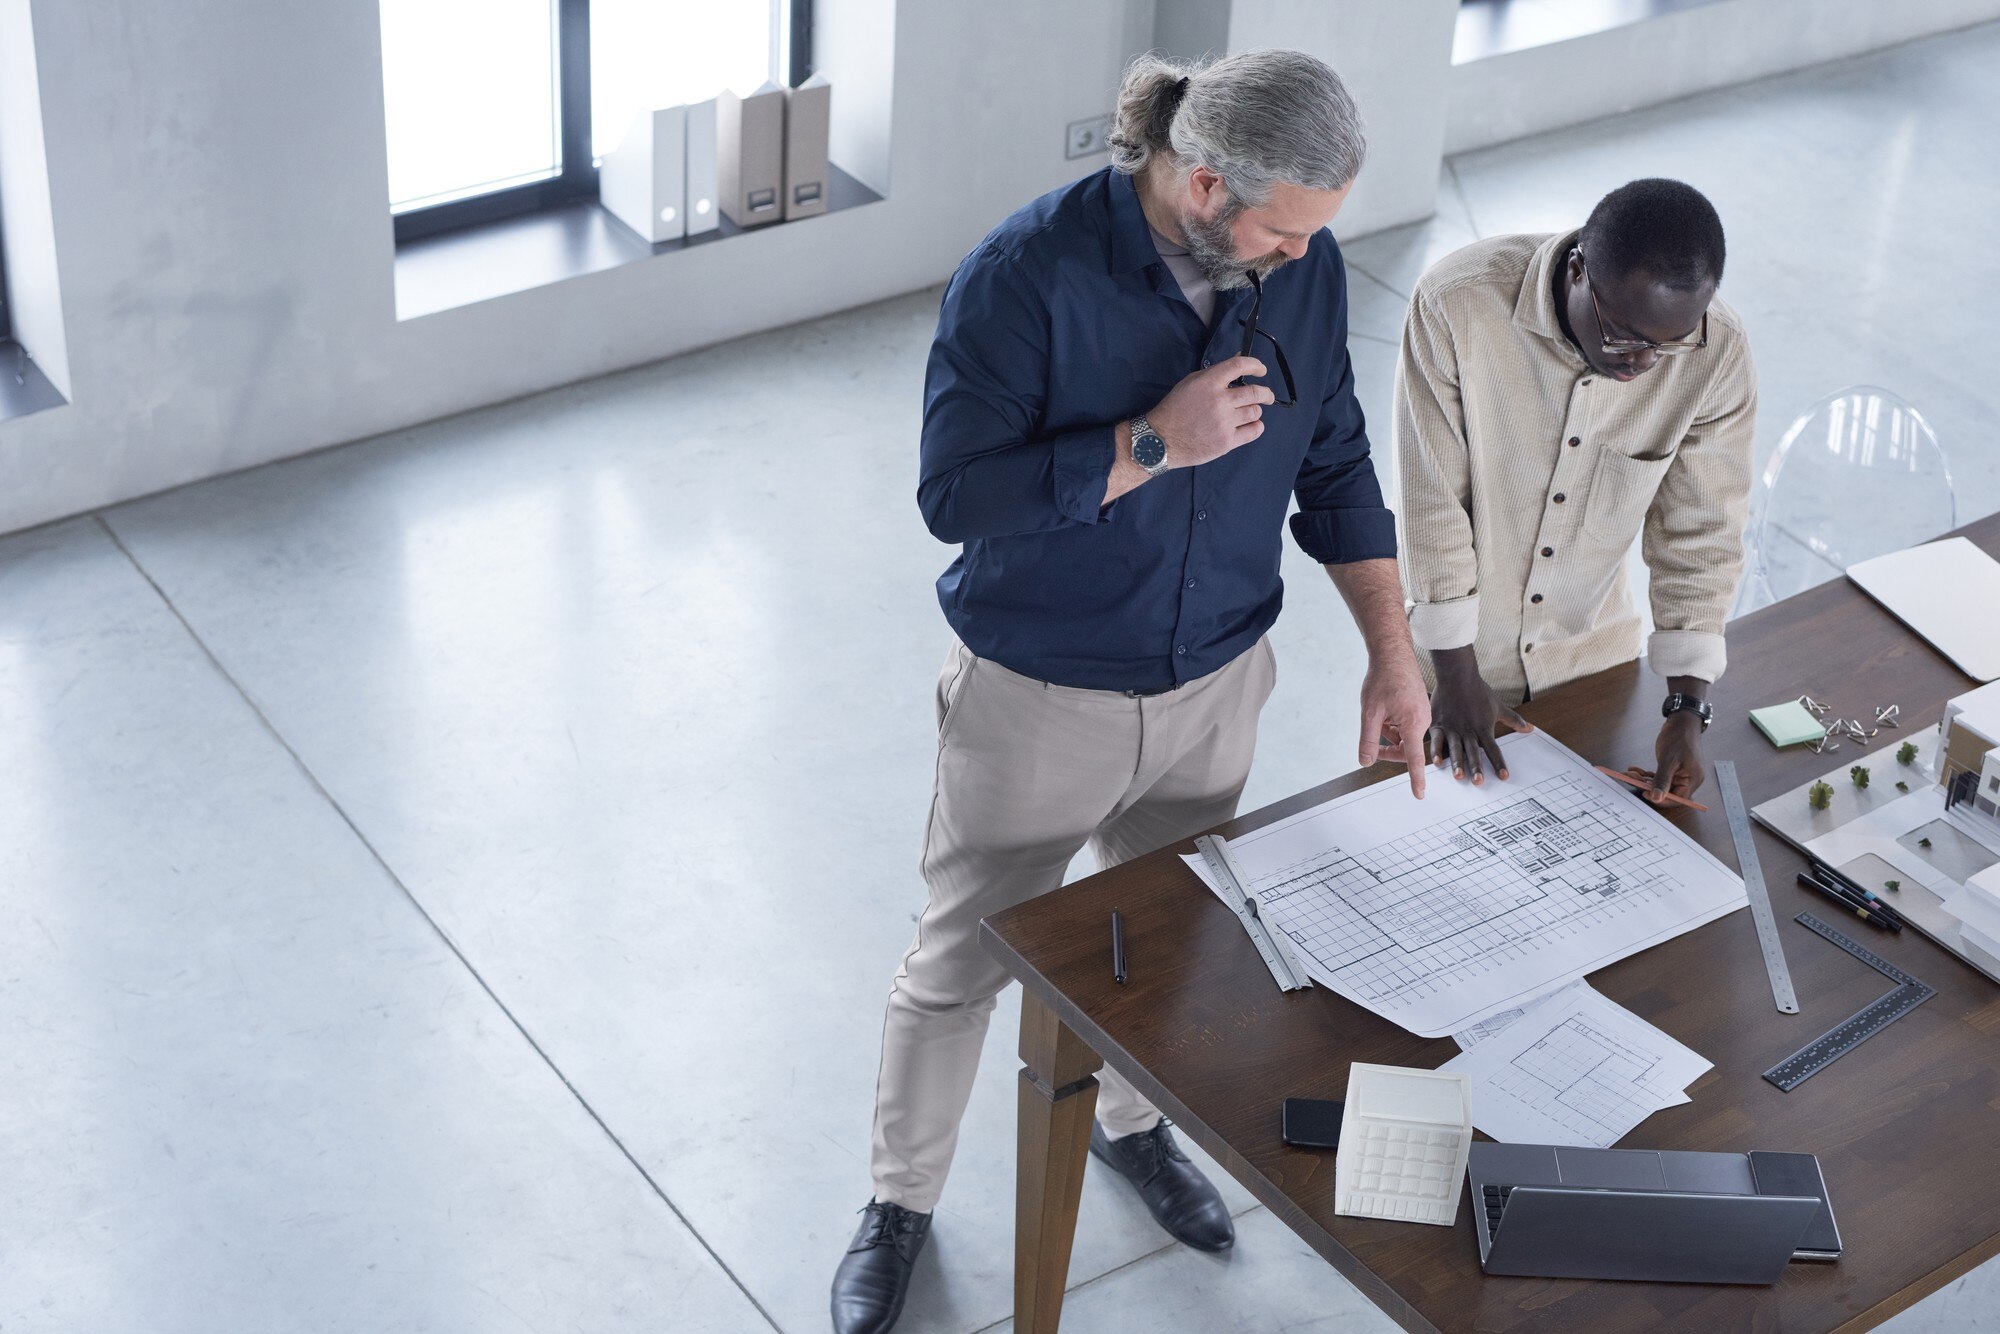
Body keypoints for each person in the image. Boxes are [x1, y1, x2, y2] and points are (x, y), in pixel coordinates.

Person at [830, 50, 1433, 1334]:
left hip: (1220, 681)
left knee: (1154, 948)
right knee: (959, 964)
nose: (1297, 256)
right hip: (1039, 696)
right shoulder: (1022, 275)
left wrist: (1393, 653)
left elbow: (1332, 457)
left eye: (1310, 234)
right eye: (1279, 229)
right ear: (1205, 183)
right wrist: (1151, 441)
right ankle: (898, 1204)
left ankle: (1132, 1123)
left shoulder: (1297, 263)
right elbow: (956, 498)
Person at [1395, 178, 1755, 801]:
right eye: (1623, 334)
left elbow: (1702, 534)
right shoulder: (1456, 303)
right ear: (1579, 270)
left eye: (1668, 345)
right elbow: (1434, 505)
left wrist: (1686, 707)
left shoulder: (1716, 351)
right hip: (1450, 665)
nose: (1642, 362)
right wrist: (1455, 677)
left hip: (1594, 670)